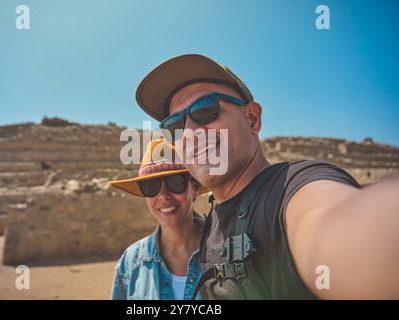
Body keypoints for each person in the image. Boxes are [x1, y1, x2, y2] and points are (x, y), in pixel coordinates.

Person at [134, 54, 399, 299]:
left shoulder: (292, 189)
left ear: (251, 118)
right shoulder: (210, 223)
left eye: (204, 110)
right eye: (174, 126)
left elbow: (341, 228)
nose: (190, 132)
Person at [109, 138, 207, 300]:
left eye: (175, 182)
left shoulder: (226, 254)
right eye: (151, 186)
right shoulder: (130, 263)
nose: (163, 196)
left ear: (194, 187)